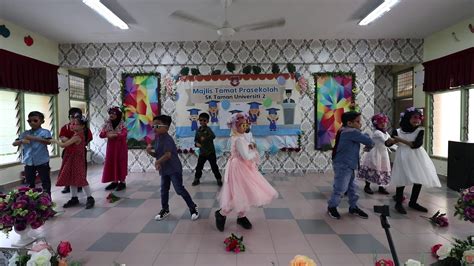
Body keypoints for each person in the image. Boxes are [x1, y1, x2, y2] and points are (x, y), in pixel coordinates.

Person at [215, 113, 278, 232]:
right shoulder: (238, 139)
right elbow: (245, 155)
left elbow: (245, 149)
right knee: (236, 192)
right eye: (241, 125)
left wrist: (250, 146)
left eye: (245, 124)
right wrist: (253, 150)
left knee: (245, 191)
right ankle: (222, 214)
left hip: (243, 167)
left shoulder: (242, 137)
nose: (244, 127)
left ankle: (241, 216)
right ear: (235, 126)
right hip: (238, 167)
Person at [146, 115, 199, 221]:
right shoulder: (158, 139)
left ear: (166, 127)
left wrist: (158, 161)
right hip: (165, 170)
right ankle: (165, 209)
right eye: (153, 126)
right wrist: (149, 152)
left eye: (157, 126)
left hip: (174, 169)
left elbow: (167, 155)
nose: (154, 128)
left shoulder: (167, 139)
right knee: (164, 190)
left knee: (179, 190)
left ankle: (193, 208)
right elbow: (158, 154)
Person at [391, 107, 441, 214]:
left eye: (419, 118)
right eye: (414, 118)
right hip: (402, 156)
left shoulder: (420, 130)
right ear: (407, 118)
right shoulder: (397, 131)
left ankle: (413, 202)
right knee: (401, 179)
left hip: (417, 156)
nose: (417, 120)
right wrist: (389, 142)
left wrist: (400, 140)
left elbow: (416, 145)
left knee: (418, 179)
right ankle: (398, 203)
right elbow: (389, 143)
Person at [327, 111, 374, 220]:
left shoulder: (345, 130)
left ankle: (353, 207)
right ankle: (332, 206)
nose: (360, 124)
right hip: (344, 164)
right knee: (341, 188)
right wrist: (366, 135)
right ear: (349, 123)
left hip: (350, 164)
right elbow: (369, 141)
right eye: (358, 122)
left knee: (353, 188)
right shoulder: (351, 132)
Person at [53, 116, 95, 209]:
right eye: (71, 123)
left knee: (81, 179)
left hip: (77, 160)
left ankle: (90, 197)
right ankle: (74, 198)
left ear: (82, 126)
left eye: (75, 124)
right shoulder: (76, 134)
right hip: (71, 159)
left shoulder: (77, 136)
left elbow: (64, 145)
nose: (72, 125)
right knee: (72, 178)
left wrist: (54, 140)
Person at [13, 111, 52, 195]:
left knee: (45, 181)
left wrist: (33, 138)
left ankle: (47, 200)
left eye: (35, 120)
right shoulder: (25, 133)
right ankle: (31, 200)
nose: (32, 123)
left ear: (42, 121)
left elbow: (48, 142)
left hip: (42, 161)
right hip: (28, 161)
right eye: (29, 121)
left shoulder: (45, 132)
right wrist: (21, 141)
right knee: (29, 183)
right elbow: (14, 143)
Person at [358, 114, 397, 195]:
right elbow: (386, 142)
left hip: (383, 153)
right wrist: (397, 141)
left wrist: (398, 148)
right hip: (375, 153)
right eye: (380, 122)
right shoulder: (377, 133)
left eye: (384, 122)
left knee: (383, 168)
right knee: (373, 168)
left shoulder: (385, 132)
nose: (383, 124)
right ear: (376, 124)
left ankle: (381, 187)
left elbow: (390, 142)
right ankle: (367, 186)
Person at [59, 107, 93, 194]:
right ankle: (69, 188)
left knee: (80, 172)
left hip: (79, 153)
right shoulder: (65, 127)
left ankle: (82, 188)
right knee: (68, 170)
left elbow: (88, 138)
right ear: (69, 117)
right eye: (72, 116)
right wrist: (70, 141)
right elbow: (63, 138)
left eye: (77, 116)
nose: (74, 119)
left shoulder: (83, 130)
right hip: (68, 153)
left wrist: (74, 142)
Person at [100, 106, 128, 191]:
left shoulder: (123, 124)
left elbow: (124, 133)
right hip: (111, 148)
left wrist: (115, 134)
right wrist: (107, 135)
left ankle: (122, 182)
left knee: (120, 163)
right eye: (110, 113)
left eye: (113, 113)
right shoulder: (107, 123)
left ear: (118, 114)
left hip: (120, 148)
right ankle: (114, 181)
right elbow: (101, 134)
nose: (111, 115)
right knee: (111, 163)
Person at [192, 112, 223, 186]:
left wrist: (205, 138)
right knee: (199, 167)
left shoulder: (208, 129)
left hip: (210, 152)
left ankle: (218, 179)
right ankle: (197, 179)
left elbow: (213, 136)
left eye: (204, 120)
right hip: (202, 153)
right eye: (201, 120)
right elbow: (196, 140)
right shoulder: (198, 130)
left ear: (207, 121)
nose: (202, 122)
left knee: (214, 167)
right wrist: (196, 144)